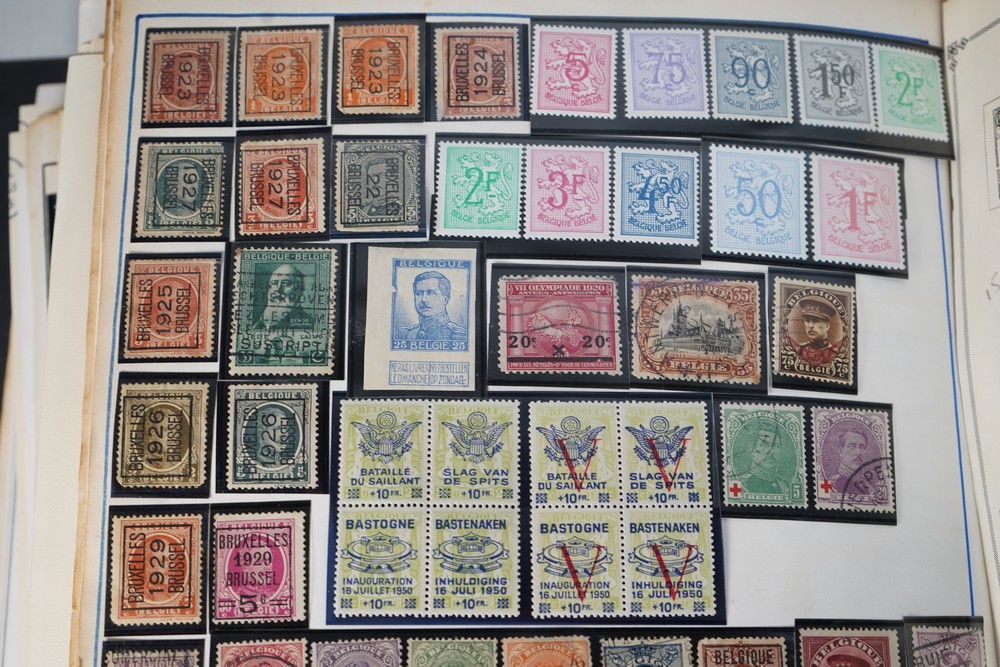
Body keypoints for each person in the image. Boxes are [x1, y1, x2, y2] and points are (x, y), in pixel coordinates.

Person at [399, 270, 466, 341]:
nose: (424, 299)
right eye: (419, 293)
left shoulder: (458, 335)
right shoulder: (407, 334)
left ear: (445, 299)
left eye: (430, 293)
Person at [253, 264, 313, 330]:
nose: (278, 288)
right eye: (274, 283)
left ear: (300, 289)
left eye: (286, 284)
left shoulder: (308, 323)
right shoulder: (259, 323)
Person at [789, 297, 843, 365]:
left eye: (816, 321)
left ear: (827, 326)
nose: (810, 325)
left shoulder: (835, 354)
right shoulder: (800, 350)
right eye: (807, 320)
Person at [742, 422, 790, 495]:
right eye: (764, 445)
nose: (771, 451)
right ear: (752, 449)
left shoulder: (785, 486)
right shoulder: (742, 483)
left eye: (776, 446)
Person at [825, 425, 871, 494]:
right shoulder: (831, 485)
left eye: (862, 447)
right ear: (840, 451)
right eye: (852, 446)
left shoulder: (870, 488)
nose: (858, 453)